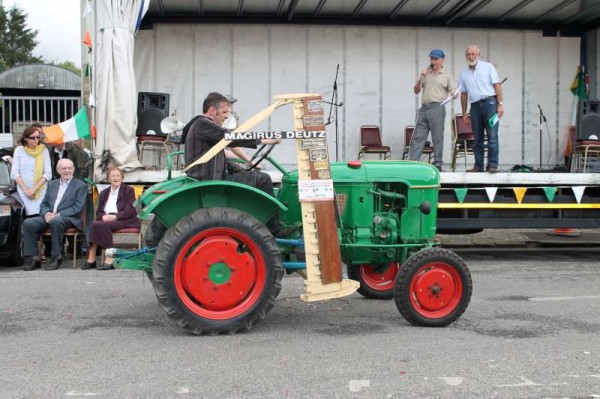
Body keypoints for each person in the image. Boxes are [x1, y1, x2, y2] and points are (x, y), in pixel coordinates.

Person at [184, 91, 282, 233]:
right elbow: (229, 137)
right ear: (212, 110)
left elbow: (219, 159)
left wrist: (244, 170)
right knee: (263, 179)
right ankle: (274, 230)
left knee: (254, 176)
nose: (226, 116)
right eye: (224, 112)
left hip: (212, 177)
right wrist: (263, 140)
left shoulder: (203, 128)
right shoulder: (202, 123)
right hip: (211, 181)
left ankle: (256, 223)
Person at [21, 158, 87, 271]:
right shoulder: (52, 184)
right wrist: (46, 214)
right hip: (50, 216)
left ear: (74, 169)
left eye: (69, 168)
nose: (67, 171)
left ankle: (56, 257)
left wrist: (58, 215)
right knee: (28, 223)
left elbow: (77, 207)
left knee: (56, 221)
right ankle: (34, 258)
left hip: (69, 218)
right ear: (58, 170)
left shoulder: (80, 185)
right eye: (64, 168)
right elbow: (44, 204)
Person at [409, 49, 458, 172]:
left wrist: (454, 93)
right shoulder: (426, 74)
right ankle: (413, 163)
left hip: (437, 107)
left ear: (442, 60)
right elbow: (416, 91)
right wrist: (421, 78)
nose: (433, 61)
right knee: (418, 137)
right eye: (431, 58)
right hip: (424, 108)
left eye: (435, 59)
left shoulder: (446, 75)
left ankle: (438, 164)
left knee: (437, 137)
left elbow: (453, 90)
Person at [458, 44, 504, 173]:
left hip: (490, 104)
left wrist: (500, 104)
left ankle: (492, 165)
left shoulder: (488, 67)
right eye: (468, 54)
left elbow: (497, 86)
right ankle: (478, 165)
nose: (471, 56)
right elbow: (464, 93)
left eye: (473, 54)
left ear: (478, 55)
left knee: (492, 136)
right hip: (475, 106)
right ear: (465, 56)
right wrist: (464, 112)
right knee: (477, 138)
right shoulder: (463, 73)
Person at [84, 167, 140, 270]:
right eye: (113, 176)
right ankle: (92, 259)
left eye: (118, 176)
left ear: (122, 178)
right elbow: (99, 211)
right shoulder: (104, 192)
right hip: (106, 219)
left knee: (100, 225)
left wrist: (114, 216)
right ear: (109, 179)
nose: (116, 178)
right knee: (96, 224)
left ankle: (108, 259)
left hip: (124, 219)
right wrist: (103, 216)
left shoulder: (129, 190)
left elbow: (130, 210)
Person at [10, 126, 52, 216]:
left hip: (40, 190)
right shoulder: (19, 150)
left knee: (39, 216)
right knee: (26, 216)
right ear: (26, 139)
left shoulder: (44, 150)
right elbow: (14, 173)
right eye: (33, 137)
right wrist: (26, 190)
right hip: (23, 191)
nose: (36, 139)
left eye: (38, 137)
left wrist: (34, 189)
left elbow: (48, 173)